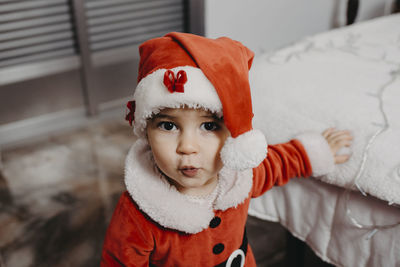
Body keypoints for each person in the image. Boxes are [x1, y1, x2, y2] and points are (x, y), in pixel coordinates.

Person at [101, 32, 352, 267]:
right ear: (146, 131)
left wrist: (313, 152)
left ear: (234, 135)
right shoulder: (137, 214)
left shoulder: (238, 177)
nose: (187, 147)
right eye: (168, 125)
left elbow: (277, 163)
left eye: (209, 126)